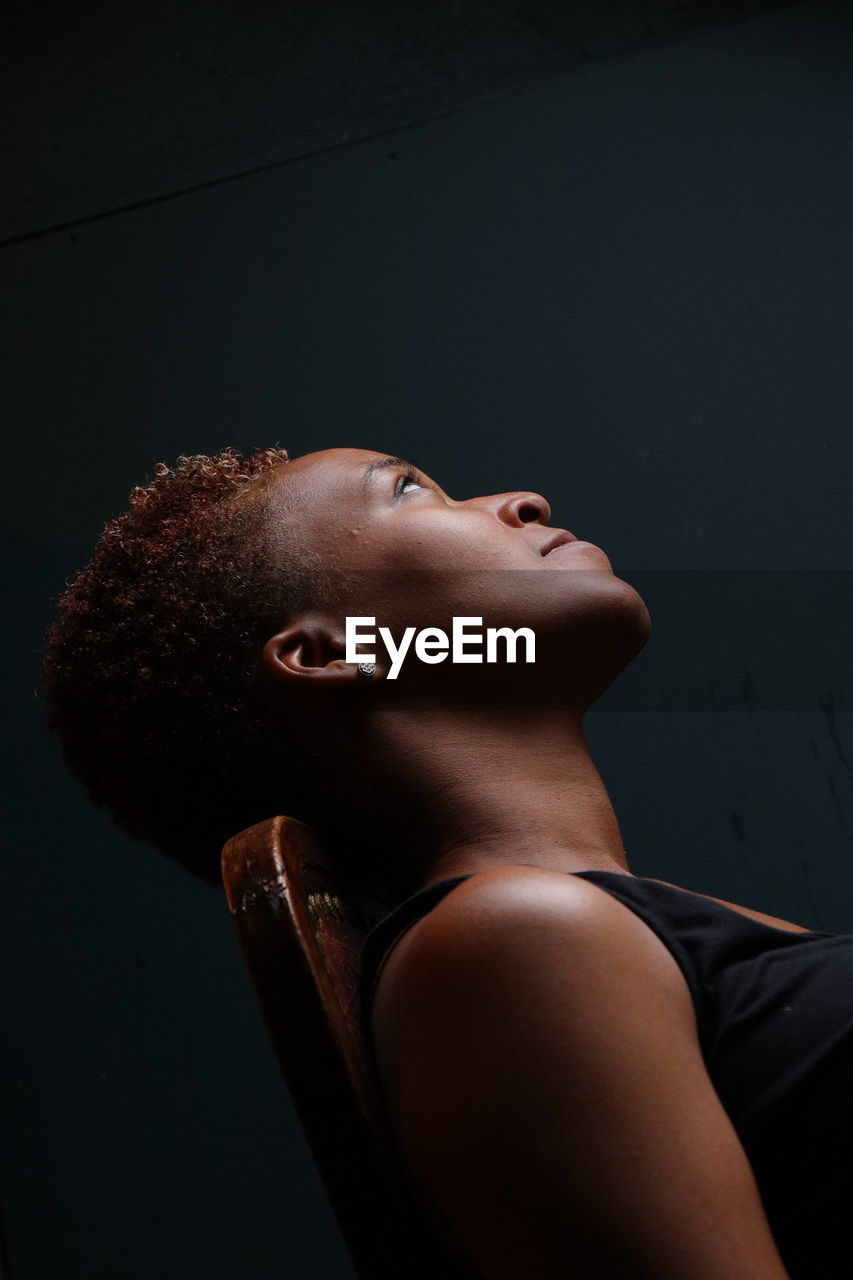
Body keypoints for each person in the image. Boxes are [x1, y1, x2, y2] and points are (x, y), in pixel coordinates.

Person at [43, 445, 852, 1279]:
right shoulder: (518, 942)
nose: (524, 500)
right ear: (330, 652)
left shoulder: (619, 931)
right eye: (406, 489)